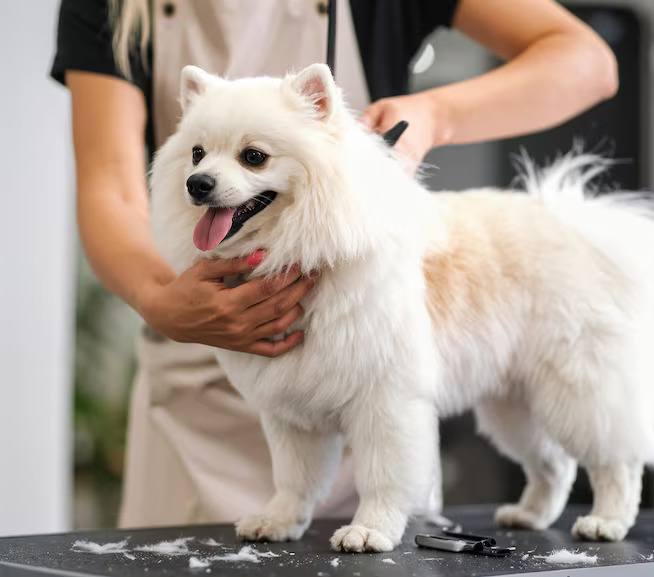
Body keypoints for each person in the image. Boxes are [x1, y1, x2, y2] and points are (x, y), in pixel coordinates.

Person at [51, 0, 618, 528]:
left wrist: (437, 113)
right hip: (194, 393)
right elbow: (113, 188)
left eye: (253, 156)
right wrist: (161, 300)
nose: (205, 172)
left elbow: (587, 61)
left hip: (366, 367)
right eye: (200, 155)